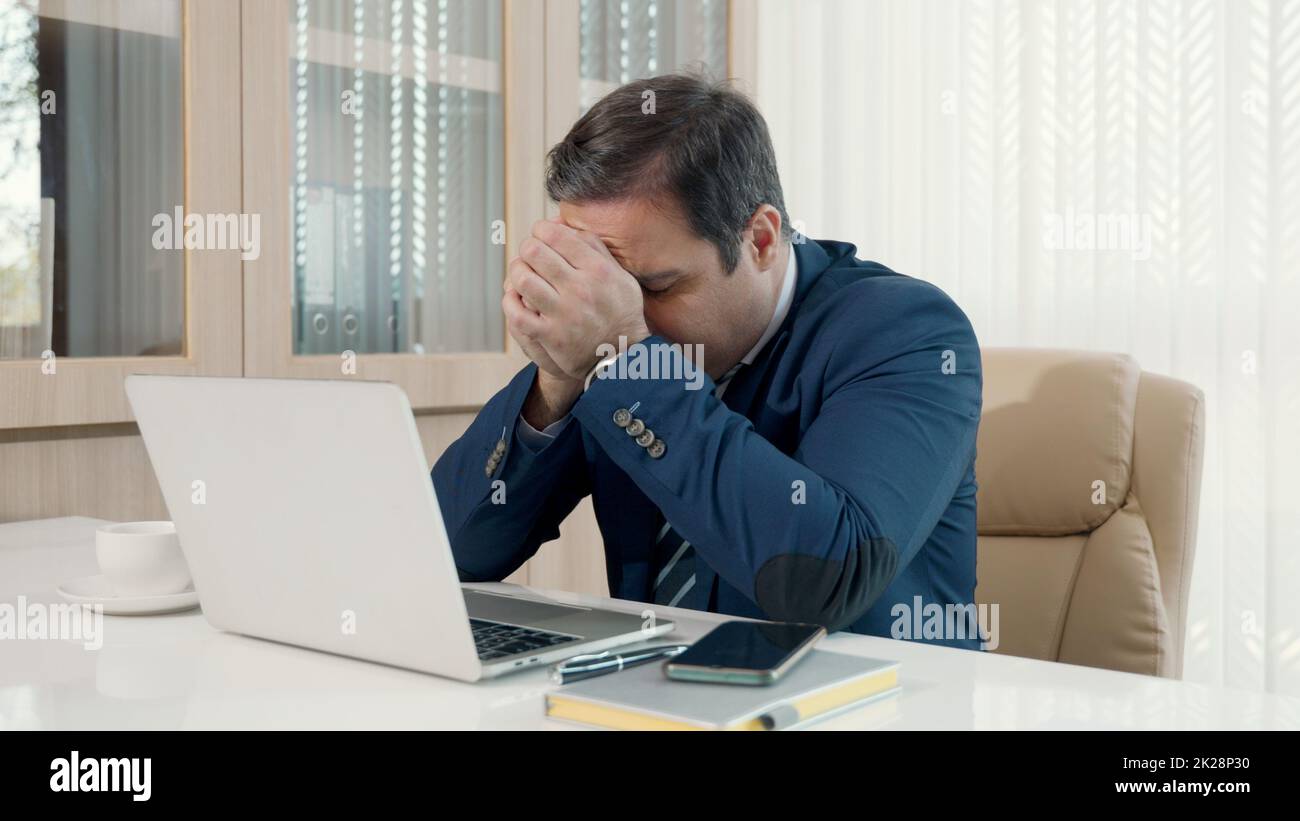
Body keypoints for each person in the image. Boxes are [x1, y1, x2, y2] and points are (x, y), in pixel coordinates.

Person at [431, 73, 983, 648]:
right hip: (661, 694)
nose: (615, 310)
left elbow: (823, 582)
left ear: (762, 240)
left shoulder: (907, 332)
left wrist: (627, 358)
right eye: (598, 286)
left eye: (655, 286)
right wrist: (556, 380)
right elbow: (452, 555)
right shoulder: (608, 347)